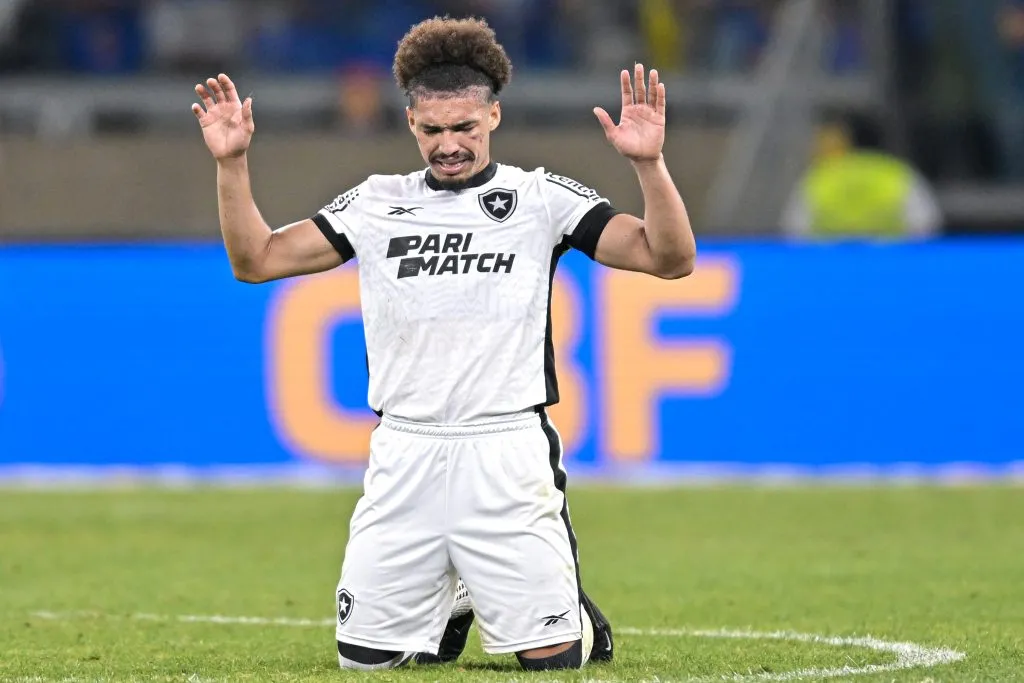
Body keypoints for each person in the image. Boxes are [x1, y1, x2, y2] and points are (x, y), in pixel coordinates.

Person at [191, 16, 695, 672]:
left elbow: (670, 258)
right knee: (365, 662)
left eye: (464, 128)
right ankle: (455, 591)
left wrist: (649, 165)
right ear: (411, 124)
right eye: (433, 130)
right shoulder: (375, 204)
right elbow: (256, 260)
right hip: (405, 451)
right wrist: (232, 165)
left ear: (493, 115)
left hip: (507, 450)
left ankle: (565, 611)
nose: (449, 144)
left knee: (553, 661)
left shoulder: (539, 198)